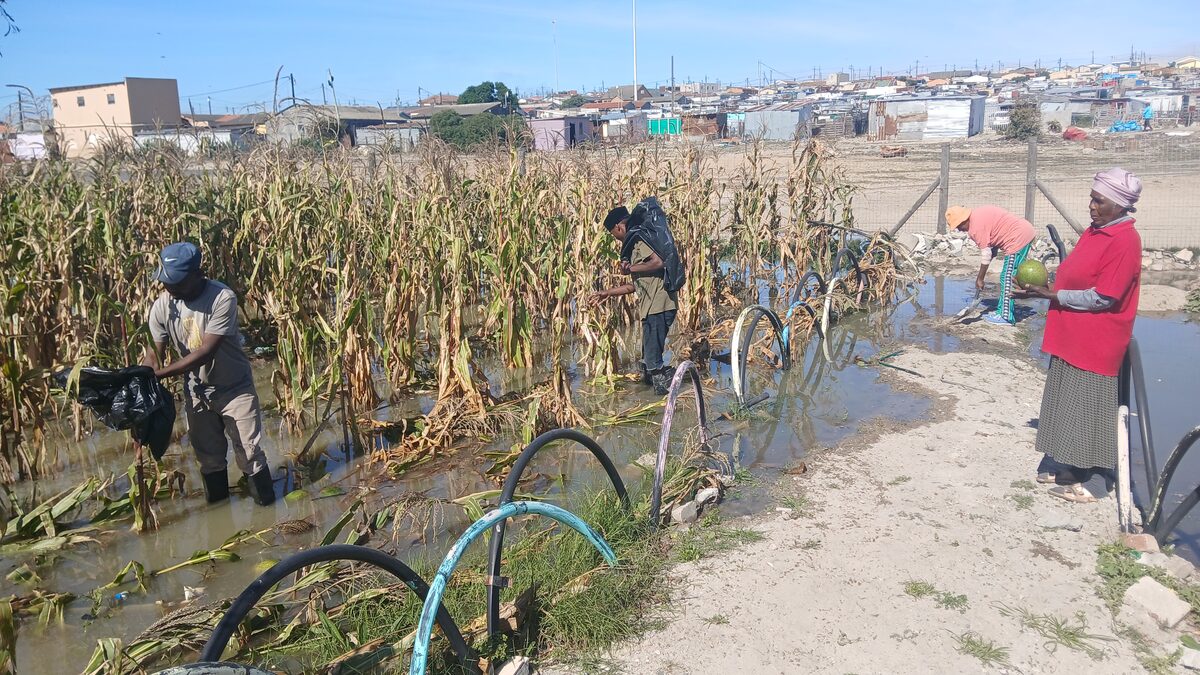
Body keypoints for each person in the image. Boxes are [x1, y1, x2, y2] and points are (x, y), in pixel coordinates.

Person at [1018, 168, 1143, 503]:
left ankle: (1099, 481)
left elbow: (1104, 296)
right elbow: (1077, 274)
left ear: (1120, 204)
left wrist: (1053, 295)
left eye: (1099, 201)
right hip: (1072, 334)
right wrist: (1044, 286)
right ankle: (1070, 466)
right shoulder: (1096, 231)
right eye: (1092, 198)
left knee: (1092, 410)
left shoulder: (1124, 240)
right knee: (1067, 403)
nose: (1092, 205)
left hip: (1096, 340)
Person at [141, 242, 276, 506]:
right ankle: (220, 514)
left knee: (249, 454)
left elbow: (205, 352)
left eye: (176, 282)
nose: (169, 287)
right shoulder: (162, 306)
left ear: (197, 274)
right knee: (209, 459)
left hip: (234, 389)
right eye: (166, 281)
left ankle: (268, 511)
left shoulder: (222, 298)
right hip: (197, 392)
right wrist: (142, 377)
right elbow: (153, 355)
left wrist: (160, 375)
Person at [590, 205, 678, 395]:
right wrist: (608, 292)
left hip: (659, 306)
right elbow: (636, 285)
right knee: (649, 358)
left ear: (619, 227)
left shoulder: (639, 239)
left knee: (653, 361)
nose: (617, 238)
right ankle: (655, 389)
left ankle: (663, 403)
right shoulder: (636, 242)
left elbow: (658, 262)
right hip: (652, 307)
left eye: (614, 234)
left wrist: (631, 268)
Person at [945, 205, 1036, 325]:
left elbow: (986, 254)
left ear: (964, 220)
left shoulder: (975, 228)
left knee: (1007, 277)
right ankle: (1004, 309)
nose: (960, 230)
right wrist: (992, 254)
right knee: (1011, 275)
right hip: (1024, 231)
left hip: (1017, 238)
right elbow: (996, 233)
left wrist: (980, 278)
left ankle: (1005, 316)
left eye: (959, 226)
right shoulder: (978, 214)